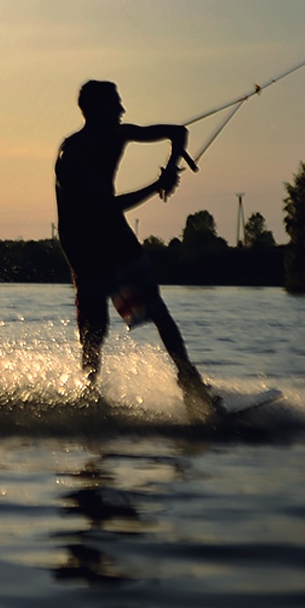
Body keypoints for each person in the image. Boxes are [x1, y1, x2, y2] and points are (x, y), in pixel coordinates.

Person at [55, 80, 221, 420]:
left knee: (158, 311)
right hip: (84, 243)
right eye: (115, 104)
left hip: (113, 236)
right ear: (96, 109)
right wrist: (158, 185)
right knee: (95, 329)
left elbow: (178, 131)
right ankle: (89, 396)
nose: (122, 110)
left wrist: (173, 165)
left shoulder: (119, 135)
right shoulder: (73, 155)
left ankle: (191, 385)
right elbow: (106, 205)